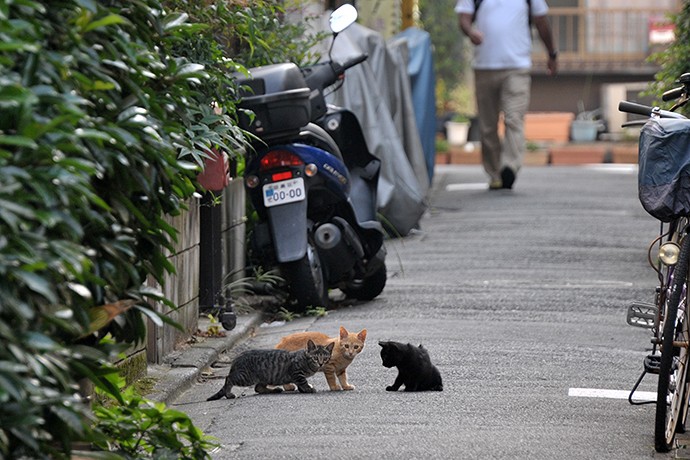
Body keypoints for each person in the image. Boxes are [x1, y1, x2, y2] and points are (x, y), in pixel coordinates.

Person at [455, 0, 557, 190]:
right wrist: (470, 32)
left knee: (514, 118)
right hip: (484, 67)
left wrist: (551, 53)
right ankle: (495, 174)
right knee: (487, 126)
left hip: (517, 67)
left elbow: (541, 21)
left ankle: (509, 166)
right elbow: (463, 19)